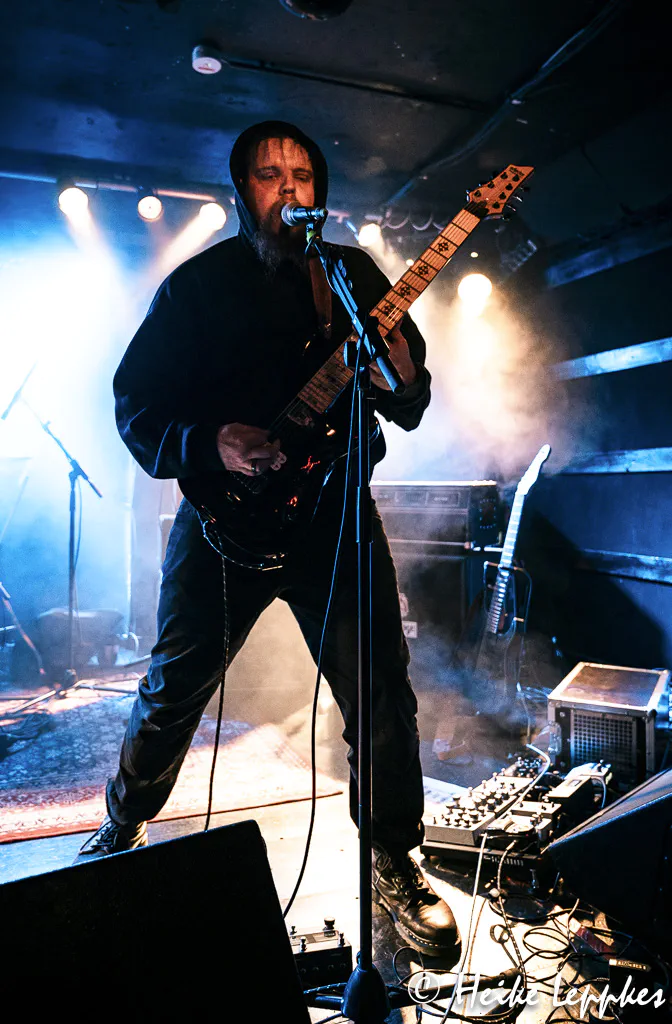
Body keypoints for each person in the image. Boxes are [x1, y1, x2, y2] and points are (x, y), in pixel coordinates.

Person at [77, 121, 460, 958]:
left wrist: (400, 370)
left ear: (320, 191)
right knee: (174, 688)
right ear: (240, 191)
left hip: (335, 518)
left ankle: (393, 857)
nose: (288, 187)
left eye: (302, 174)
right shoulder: (198, 286)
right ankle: (124, 819)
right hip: (222, 520)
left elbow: (406, 399)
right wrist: (210, 441)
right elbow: (136, 403)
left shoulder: (355, 278)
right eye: (267, 174)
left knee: (381, 693)